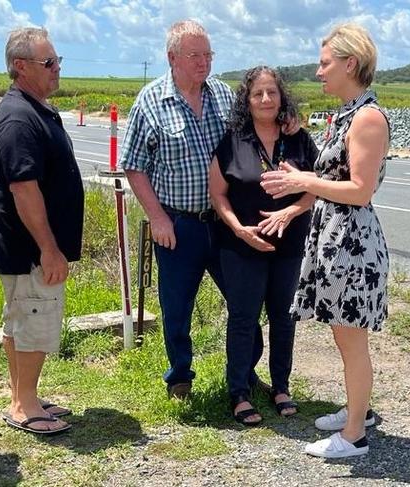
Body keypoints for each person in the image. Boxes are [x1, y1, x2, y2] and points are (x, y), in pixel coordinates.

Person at [120, 20, 298, 399]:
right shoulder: (150, 102)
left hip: (224, 222)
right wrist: (156, 217)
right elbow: (133, 165)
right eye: (194, 55)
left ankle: (244, 373)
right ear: (172, 58)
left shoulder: (222, 95)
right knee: (177, 306)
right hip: (177, 225)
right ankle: (180, 376)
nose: (203, 63)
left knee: (244, 301)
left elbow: (257, 128)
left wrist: (289, 122)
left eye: (208, 54)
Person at [261, 23, 389, 458]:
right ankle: (360, 410)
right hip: (337, 239)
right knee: (344, 335)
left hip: (352, 243)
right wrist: (297, 190)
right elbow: (333, 178)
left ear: (350, 64)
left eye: (324, 63)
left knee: (351, 339)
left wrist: (302, 179)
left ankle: (354, 435)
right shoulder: (350, 113)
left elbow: (360, 190)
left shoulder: (368, 117)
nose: (318, 72)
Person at [0, 27, 84, 434]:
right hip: (29, 249)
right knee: (35, 321)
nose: (56, 68)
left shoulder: (32, 108)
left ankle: (23, 395)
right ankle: (25, 406)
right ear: (20, 67)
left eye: (57, 60)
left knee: (22, 321)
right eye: (49, 63)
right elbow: (24, 190)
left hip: (27, 247)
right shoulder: (18, 119)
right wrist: (49, 248)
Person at [210, 67, 318, 425]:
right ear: (247, 99)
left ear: (281, 96)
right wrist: (239, 229)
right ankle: (239, 392)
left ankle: (281, 386)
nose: (266, 99)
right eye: (258, 94)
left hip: (289, 244)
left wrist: (289, 212)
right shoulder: (231, 141)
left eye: (272, 92)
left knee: (284, 318)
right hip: (242, 245)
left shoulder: (298, 138)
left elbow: (314, 190)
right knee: (243, 318)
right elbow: (218, 195)